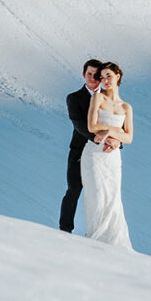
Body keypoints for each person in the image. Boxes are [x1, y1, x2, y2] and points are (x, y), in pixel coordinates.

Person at [59, 59, 119, 233]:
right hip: (80, 151)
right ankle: (64, 230)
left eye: (96, 75)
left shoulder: (110, 98)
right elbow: (78, 124)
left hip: (104, 154)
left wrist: (117, 141)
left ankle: (98, 232)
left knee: (103, 193)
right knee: (74, 188)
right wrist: (99, 138)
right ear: (83, 75)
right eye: (89, 74)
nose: (92, 78)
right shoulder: (74, 98)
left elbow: (117, 123)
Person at [81, 61, 133, 249]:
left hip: (112, 157)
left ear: (118, 76)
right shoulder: (98, 98)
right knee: (96, 196)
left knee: (112, 197)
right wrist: (113, 131)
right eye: (102, 78)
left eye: (108, 76)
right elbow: (92, 126)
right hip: (94, 154)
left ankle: (113, 244)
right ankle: (94, 240)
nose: (105, 81)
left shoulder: (126, 107)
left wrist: (109, 133)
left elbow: (128, 137)